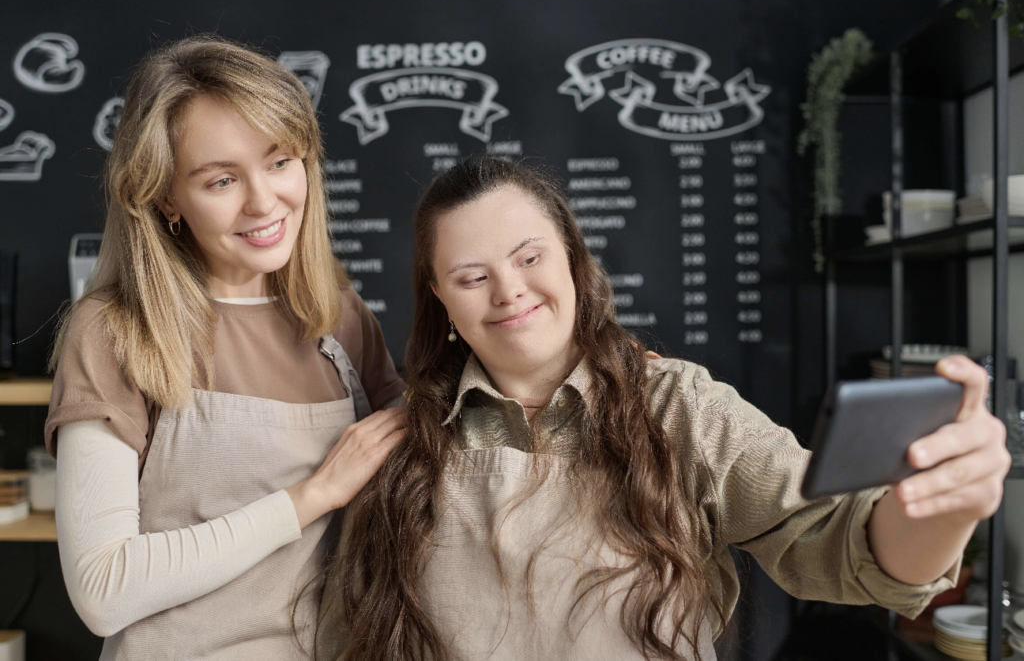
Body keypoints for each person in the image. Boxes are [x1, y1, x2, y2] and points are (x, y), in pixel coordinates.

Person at [317, 155, 1010, 661]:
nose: (508, 291)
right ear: (440, 295)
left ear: (571, 259)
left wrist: (944, 505)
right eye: (472, 277)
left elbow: (839, 542)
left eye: (529, 257)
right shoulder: (400, 439)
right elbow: (348, 631)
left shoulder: (678, 406)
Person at [44, 36, 407, 660]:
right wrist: (310, 497)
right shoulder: (116, 331)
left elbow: (429, 464)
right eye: (220, 181)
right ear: (166, 198)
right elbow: (101, 588)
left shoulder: (341, 320)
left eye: (279, 161)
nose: (264, 202)